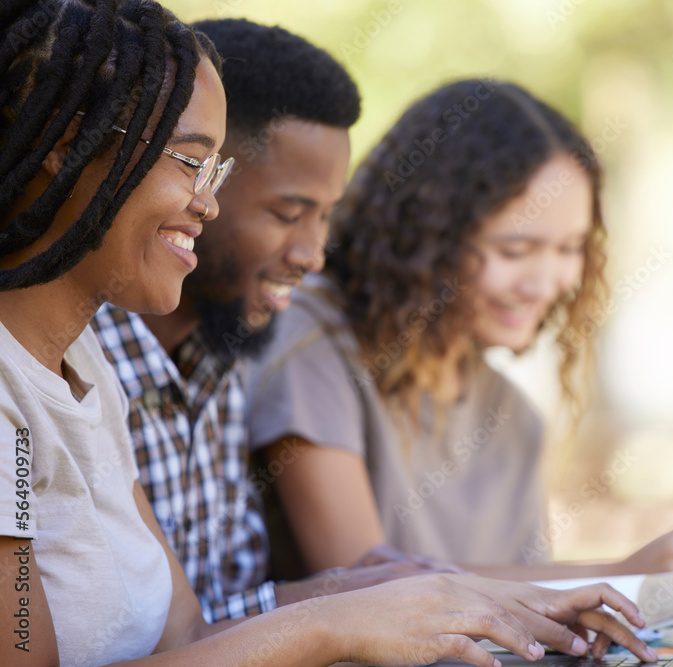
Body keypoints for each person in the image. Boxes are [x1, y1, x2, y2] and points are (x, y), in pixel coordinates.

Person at [0, 2, 658, 665]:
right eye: (190, 163)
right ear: (70, 147)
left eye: (216, 172)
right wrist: (332, 623)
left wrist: (402, 594)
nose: (208, 201)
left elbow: (185, 635)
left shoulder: (83, 371)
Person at [245, 79, 673, 597]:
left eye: (569, 248)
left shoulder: (512, 417)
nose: (546, 282)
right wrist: (621, 575)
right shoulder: (312, 344)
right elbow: (364, 589)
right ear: (426, 237)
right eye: (515, 250)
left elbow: (529, 624)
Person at [91, 17, 436, 624]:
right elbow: (137, 639)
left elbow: (208, 614)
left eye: (325, 216)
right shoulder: (75, 361)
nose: (312, 252)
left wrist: (365, 588)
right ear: (199, 180)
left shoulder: (227, 346)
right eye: (287, 212)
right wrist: (336, 603)